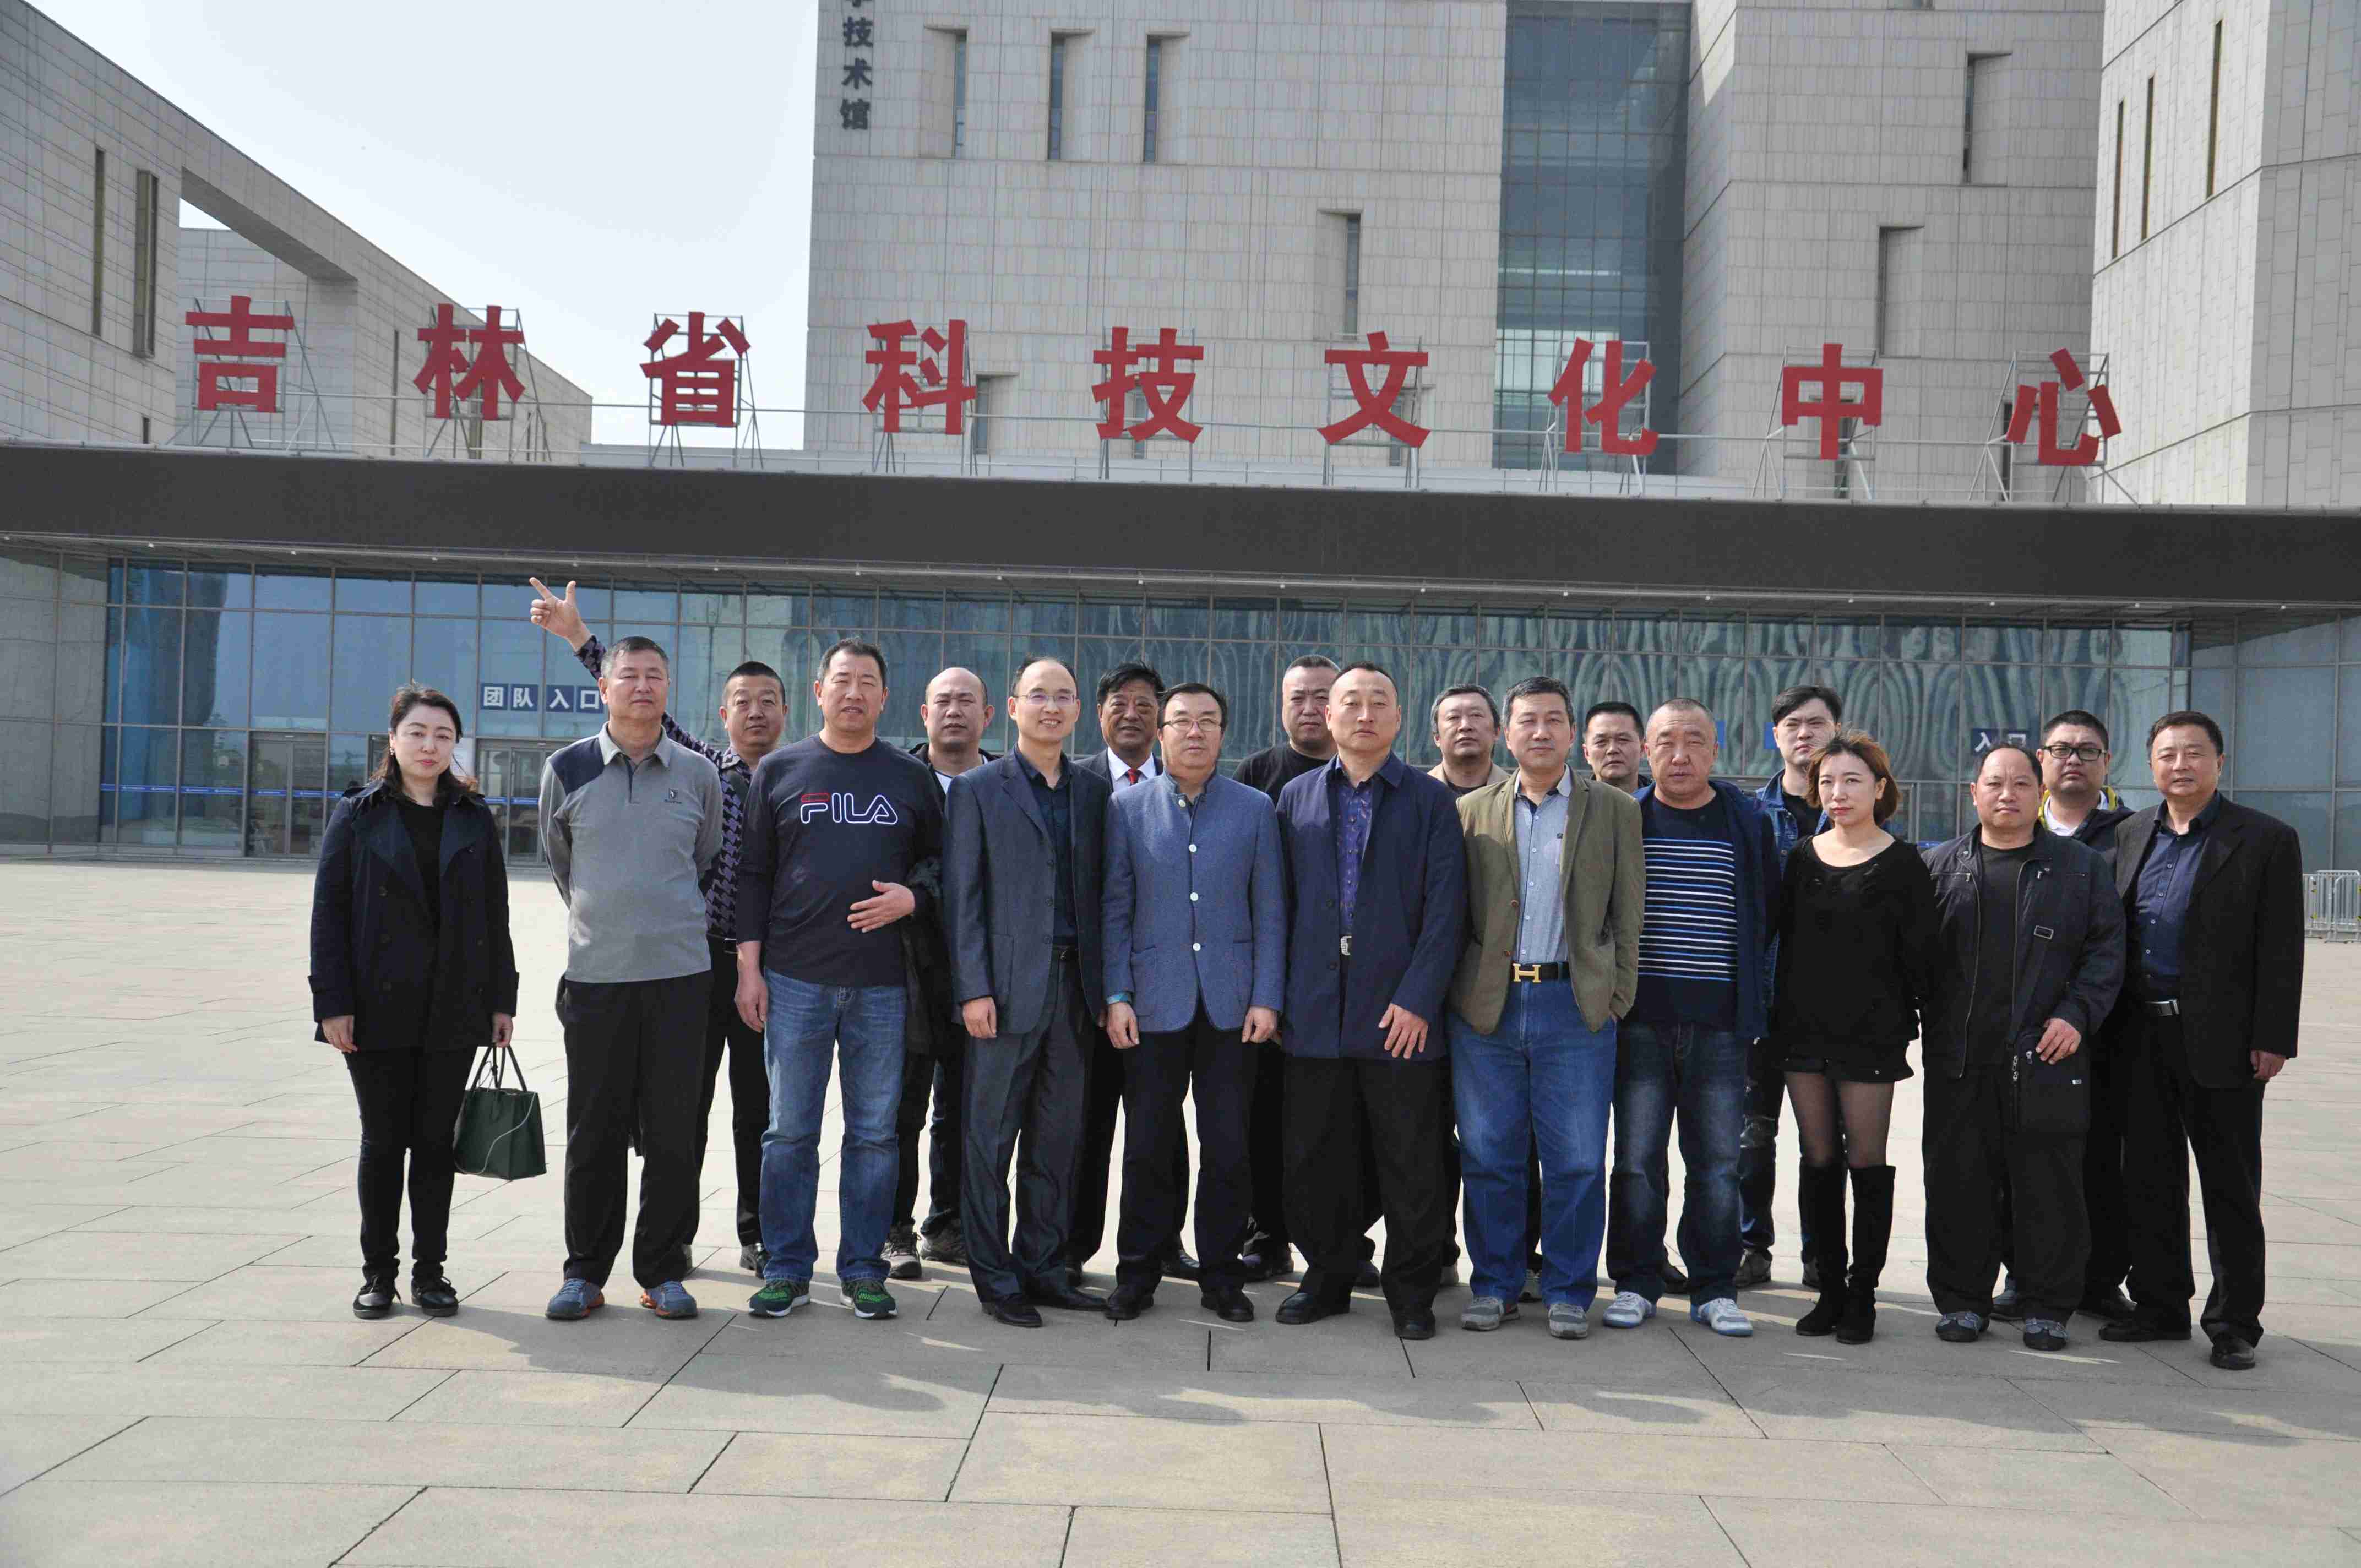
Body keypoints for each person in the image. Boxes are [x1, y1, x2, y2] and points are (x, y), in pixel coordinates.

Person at [531, 578, 784, 1277]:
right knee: (679, 1116)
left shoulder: (801, 777)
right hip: (691, 959)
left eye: (768, 701)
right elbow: (571, 860)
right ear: (723, 713)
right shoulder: (704, 768)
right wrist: (580, 638)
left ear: (788, 711)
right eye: (743, 701)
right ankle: (658, 1249)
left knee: (760, 1112)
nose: (755, 712)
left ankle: (757, 1234)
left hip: (766, 968)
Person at [736, 639, 943, 1324]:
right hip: (794, 979)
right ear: (819, 691)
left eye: (868, 682)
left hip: (883, 986)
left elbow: (942, 866)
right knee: (788, 1132)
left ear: (885, 697)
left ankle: (862, 1269)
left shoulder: (910, 777)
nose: (854, 692)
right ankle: (787, 1267)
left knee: (876, 1134)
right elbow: (753, 876)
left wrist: (913, 898)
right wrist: (749, 970)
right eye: (842, 680)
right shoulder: (781, 770)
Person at [2099, 711, 2303, 1371]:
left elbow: (2281, 948)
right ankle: (2160, 1305)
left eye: (2193, 753)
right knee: (2148, 1179)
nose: (2179, 765)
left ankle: (2234, 1322)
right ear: (2150, 765)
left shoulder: (2265, 839)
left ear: (2219, 761)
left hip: (2224, 1040)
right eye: (2166, 754)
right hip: (2140, 1035)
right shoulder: (2131, 832)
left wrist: (2273, 1036)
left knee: (2229, 1185)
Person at [310, 685, 518, 1320]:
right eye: (418, 733)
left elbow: (496, 913)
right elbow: (329, 913)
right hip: (376, 1005)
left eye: (443, 735)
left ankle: (432, 1273)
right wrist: (332, 1003)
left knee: (434, 1142)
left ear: (456, 745)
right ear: (393, 739)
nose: (430, 746)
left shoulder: (473, 817)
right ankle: (378, 1274)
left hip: (455, 1002)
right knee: (382, 1140)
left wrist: (502, 999)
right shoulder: (358, 814)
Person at [1273, 663, 1466, 1341]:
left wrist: (1418, 999)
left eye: (1377, 702)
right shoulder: (1295, 796)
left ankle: (1411, 1293)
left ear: (1398, 717)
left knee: (1411, 1162)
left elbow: (1447, 911)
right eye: (1349, 702)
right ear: (1328, 716)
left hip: (1399, 1016)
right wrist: (1278, 998)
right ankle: (1326, 1277)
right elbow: (1277, 905)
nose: (1363, 714)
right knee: (1315, 1158)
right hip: (1314, 1010)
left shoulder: (1429, 800)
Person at [1448, 676, 1642, 1339]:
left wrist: (1615, 996)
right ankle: (1494, 1284)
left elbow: (1628, 913)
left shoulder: (1614, 809)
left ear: (1571, 733)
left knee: (1578, 1159)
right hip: (1489, 1009)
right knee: (1488, 1155)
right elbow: (1455, 913)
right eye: (1527, 720)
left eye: (1554, 719)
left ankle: (1567, 1288)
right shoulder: (1471, 810)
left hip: (1574, 1005)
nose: (1540, 731)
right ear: (1507, 733)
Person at [540, 638, 725, 1322]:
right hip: (598, 979)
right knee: (594, 1131)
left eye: (655, 676)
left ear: (668, 688)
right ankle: (585, 1272)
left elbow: (705, 856)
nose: (642, 686)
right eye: (629, 675)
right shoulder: (567, 768)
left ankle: (663, 1269)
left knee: (675, 1131)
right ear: (604, 687)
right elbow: (562, 863)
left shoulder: (698, 773)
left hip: (680, 978)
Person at [1920, 742, 2125, 1352]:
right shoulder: (1939, 866)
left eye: (2019, 784)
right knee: (1958, 1183)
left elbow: (2106, 949)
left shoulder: (2080, 867)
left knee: (2049, 1187)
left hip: (2047, 1054)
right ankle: (1962, 1302)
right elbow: (1910, 957)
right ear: (1973, 793)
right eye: (1994, 783)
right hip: (1959, 1057)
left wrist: (2076, 1013)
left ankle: (2047, 1305)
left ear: (2040, 793)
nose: (2006, 794)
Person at [1101, 681, 1287, 1322]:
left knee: (1228, 1146)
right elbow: (1116, 907)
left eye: (1208, 720)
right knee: (1147, 1146)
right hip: (1152, 1002)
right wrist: (1117, 994)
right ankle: (1137, 1271)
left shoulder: (1254, 808)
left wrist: (1267, 996)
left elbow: (1270, 909)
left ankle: (1221, 1275)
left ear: (1222, 734)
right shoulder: (1126, 807)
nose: (1195, 731)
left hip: (1233, 1006)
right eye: (1181, 720)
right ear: (1161, 734)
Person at [1603, 699, 1779, 1338]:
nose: (1680, 755)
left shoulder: (1747, 822)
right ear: (1646, 752)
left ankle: (1714, 1287)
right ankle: (1636, 1279)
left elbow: (1766, 915)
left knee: (1716, 1164)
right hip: (1639, 1022)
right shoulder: (1625, 818)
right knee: (1636, 1161)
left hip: (1720, 1027)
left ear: (1715, 750)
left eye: (1695, 742)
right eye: (1666, 742)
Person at [945, 657, 1111, 1326]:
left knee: (1057, 1138)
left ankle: (1043, 1266)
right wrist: (973, 988)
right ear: (1012, 707)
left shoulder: (1094, 792)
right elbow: (962, 898)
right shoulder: (978, 789)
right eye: (1038, 695)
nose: (1051, 706)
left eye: (1063, 696)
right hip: (1004, 992)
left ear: (1077, 712)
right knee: (989, 1140)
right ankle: (995, 1279)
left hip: (1076, 990)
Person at [1769, 732, 1938, 1344]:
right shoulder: (1800, 858)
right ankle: (1830, 1291)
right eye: (1827, 782)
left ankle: (1862, 1293)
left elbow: (1922, 959)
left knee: (1867, 1163)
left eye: (1851, 781)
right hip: (1802, 1031)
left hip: (1871, 1035)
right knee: (1818, 1161)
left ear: (1879, 788)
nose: (1837, 793)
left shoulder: (1903, 863)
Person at [1990, 709, 2137, 1325]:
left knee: (2102, 1160)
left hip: (2104, 1027)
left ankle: (2100, 1280)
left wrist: (2081, 1010)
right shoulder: (2010, 829)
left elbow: (2111, 942)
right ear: (2041, 762)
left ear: (2107, 763)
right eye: (2061, 750)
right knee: (2020, 1160)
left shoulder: (2132, 834)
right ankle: (2021, 1275)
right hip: (2024, 1035)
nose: (2073, 760)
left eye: (2088, 751)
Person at [1069, 662, 1195, 1286]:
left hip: (1165, 991)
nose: (1132, 714)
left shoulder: (1186, 787)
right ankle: (1074, 1245)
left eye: (1146, 705)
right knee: (1088, 1124)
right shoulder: (1076, 783)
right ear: (1099, 714)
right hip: (1092, 990)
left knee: (1162, 1126)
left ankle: (1164, 1240)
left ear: (1162, 721)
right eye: (1119, 702)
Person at [885, 666, 998, 1281]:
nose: (955, 711)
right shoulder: (896, 780)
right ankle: (893, 1230)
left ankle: (949, 1224)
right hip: (903, 969)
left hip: (983, 973)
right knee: (898, 1109)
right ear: (924, 714)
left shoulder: (1008, 782)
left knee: (964, 1109)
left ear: (989, 715)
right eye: (943, 701)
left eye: (967, 701)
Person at [1234, 654, 1341, 1284]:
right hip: (1270, 985)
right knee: (1264, 1121)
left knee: (1335, 1126)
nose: (1309, 707)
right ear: (1282, 706)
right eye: (1297, 697)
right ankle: (1267, 1237)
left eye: (1321, 696)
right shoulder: (1258, 775)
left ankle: (1342, 1242)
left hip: (1342, 989)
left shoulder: (1362, 772)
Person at [1740, 684, 1842, 1291]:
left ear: (1836, 731)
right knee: (1750, 1137)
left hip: (1827, 1008)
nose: (1805, 734)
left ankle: (1820, 1253)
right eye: (1793, 725)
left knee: (1821, 1141)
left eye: (1817, 724)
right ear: (1775, 735)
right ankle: (1749, 1246)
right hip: (1758, 1003)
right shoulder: (1749, 814)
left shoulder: (1857, 810)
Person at [1430, 685, 1509, 796]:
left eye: (1476, 715)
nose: (1465, 726)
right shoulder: (1416, 793)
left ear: (1496, 732)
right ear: (1437, 737)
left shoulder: (1518, 795)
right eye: (1453, 717)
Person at [1581, 701, 1645, 794]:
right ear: (1587, 754)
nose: (1612, 749)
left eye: (1623, 740)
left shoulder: (1663, 801)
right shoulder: (1571, 802)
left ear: (1642, 749)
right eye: (1601, 741)